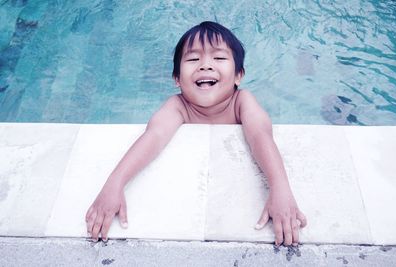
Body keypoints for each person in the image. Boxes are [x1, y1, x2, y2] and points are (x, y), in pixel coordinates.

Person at [86, 21, 307, 246]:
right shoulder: (178, 106)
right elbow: (154, 136)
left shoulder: (242, 102)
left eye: (219, 58)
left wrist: (279, 187)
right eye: (193, 59)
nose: (205, 65)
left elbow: (260, 135)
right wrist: (115, 183)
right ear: (177, 79)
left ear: (239, 75)